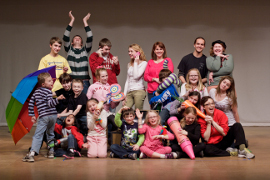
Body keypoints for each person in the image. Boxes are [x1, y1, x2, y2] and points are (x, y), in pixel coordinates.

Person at [22, 73, 65, 162]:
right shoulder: (48, 91)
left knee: (38, 135)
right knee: (50, 134)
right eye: (49, 81)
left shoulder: (36, 92)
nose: (52, 81)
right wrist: (57, 99)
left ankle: (32, 153)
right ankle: (51, 152)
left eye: (51, 80)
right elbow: (50, 104)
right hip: (52, 116)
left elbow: (31, 104)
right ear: (43, 84)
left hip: (44, 116)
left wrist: (32, 115)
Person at [63, 11, 93, 94]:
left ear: (82, 43)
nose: (77, 38)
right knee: (72, 104)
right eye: (75, 38)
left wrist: (85, 21)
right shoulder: (69, 50)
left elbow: (90, 37)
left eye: (79, 38)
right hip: (72, 80)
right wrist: (72, 20)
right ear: (71, 42)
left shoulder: (85, 51)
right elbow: (65, 37)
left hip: (84, 81)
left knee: (85, 104)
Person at [86, 67, 120, 142]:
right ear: (98, 77)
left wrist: (117, 100)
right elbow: (87, 100)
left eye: (106, 75)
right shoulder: (92, 87)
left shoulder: (110, 88)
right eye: (103, 76)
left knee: (113, 120)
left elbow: (113, 106)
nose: (105, 78)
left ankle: (112, 142)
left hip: (106, 113)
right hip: (95, 112)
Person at [122, 44, 147, 110]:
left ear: (138, 52)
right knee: (124, 111)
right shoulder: (129, 64)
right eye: (129, 51)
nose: (129, 53)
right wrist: (124, 95)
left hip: (139, 91)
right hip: (130, 91)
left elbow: (136, 76)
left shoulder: (144, 63)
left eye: (131, 51)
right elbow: (127, 80)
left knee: (138, 111)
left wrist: (136, 62)